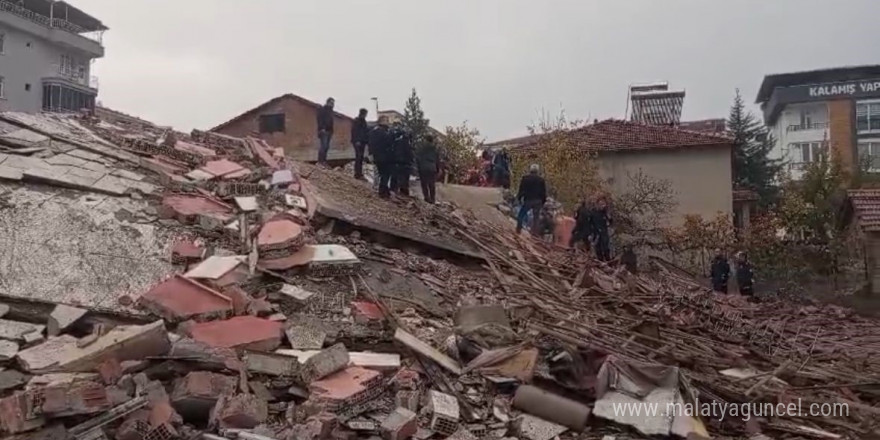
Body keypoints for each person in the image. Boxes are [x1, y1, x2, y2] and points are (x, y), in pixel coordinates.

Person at [515, 164, 547, 235]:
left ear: (530, 170)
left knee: (521, 215)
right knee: (536, 218)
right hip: (538, 201)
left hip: (528, 200)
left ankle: (518, 230)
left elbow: (521, 189)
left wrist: (519, 198)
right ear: (537, 171)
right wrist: (543, 201)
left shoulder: (525, 178)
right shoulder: (541, 180)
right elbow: (543, 192)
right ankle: (534, 233)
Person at [368, 116, 394, 198]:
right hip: (384, 156)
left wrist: (371, 154)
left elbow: (370, 144)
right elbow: (389, 142)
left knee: (381, 173)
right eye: (386, 120)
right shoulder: (384, 132)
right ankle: (382, 191)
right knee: (385, 174)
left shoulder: (373, 131)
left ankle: (383, 189)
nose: (388, 122)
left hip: (376, 156)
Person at [390, 124, 414, 196]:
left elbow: (393, 150)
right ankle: (402, 191)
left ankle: (394, 190)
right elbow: (409, 153)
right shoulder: (407, 143)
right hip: (404, 162)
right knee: (404, 178)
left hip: (397, 161)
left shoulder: (397, 141)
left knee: (396, 177)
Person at [416, 134, 440, 204]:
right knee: (431, 184)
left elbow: (418, 158)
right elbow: (437, 160)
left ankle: (426, 198)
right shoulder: (435, 149)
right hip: (432, 168)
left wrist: (418, 167)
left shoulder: (422, 148)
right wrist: (437, 169)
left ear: (426, 140)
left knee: (424, 183)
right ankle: (432, 199)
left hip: (423, 167)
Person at [591, 196, 613, 261]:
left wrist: (609, 217)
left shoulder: (605, 213)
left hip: (604, 232)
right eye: (601, 204)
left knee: (606, 248)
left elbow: (610, 222)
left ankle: (608, 261)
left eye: (603, 204)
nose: (602, 206)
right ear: (597, 204)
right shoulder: (593, 213)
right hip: (596, 233)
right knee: (598, 249)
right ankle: (600, 261)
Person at [350, 108, 370, 179]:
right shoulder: (357, 121)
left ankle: (359, 173)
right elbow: (354, 131)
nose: (366, 115)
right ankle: (357, 173)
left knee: (360, 157)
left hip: (363, 141)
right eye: (365, 114)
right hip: (357, 142)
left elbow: (365, 132)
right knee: (358, 157)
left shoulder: (364, 122)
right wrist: (357, 140)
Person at [316, 97, 335, 165]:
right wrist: (322, 128)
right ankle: (320, 161)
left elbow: (331, 121)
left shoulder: (331, 111)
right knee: (323, 146)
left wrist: (332, 130)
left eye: (333, 103)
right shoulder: (322, 109)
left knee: (326, 146)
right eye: (331, 103)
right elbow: (319, 119)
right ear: (327, 102)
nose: (332, 104)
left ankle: (324, 161)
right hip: (323, 131)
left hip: (329, 131)